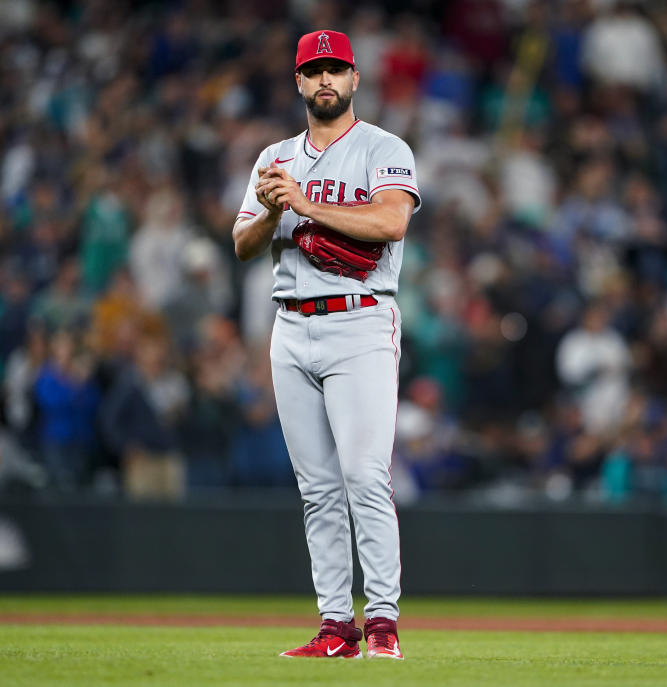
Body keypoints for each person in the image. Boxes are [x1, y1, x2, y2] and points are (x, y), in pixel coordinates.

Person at [232, 30, 419, 660]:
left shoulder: (382, 148)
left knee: (365, 475)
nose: (324, 81)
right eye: (313, 71)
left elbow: (391, 221)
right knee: (317, 488)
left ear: (355, 78)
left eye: (335, 69)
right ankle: (336, 626)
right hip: (291, 326)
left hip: (360, 323)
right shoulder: (273, 158)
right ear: (298, 83)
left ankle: (384, 623)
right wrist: (266, 210)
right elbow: (242, 246)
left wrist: (304, 204)